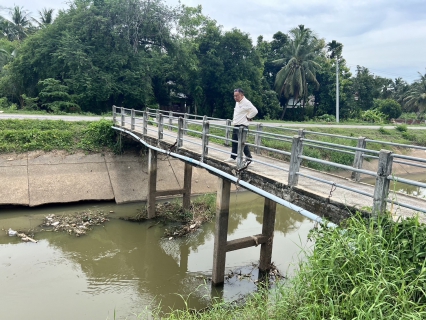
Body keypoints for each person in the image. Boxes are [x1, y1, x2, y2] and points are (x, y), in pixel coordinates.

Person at [225, 88, 258, 163]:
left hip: (242, 126)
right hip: (236, 125)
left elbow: (255, 111)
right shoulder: (237, 102)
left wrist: (248, 117)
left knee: (242, 143)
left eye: (237, 96)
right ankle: (233, 157)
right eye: (234, 96)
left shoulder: (246, 102)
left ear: (242, 95)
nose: (235, 97)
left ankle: (249, 159)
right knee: (234, 142)